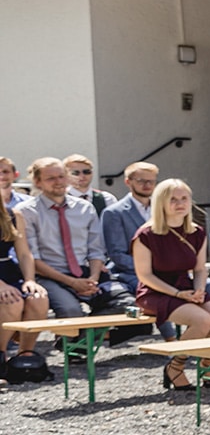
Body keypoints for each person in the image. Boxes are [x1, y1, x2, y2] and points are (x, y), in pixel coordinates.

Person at [15, 157, 138, 332]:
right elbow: (32, 259)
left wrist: (93, 279)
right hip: (49, 275)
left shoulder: (85, 208)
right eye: (51, 178)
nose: (58, 182)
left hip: (85, 273)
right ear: (37, 182)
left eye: (61, 176)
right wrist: (72, 283)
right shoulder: (26, 211)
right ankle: (75, 347)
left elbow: (96, 250)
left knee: (128, 303)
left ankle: (79, 340)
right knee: (71, 311)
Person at [134, 179, 210, 392]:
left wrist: (198, 290)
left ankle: (207, 364)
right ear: (161, 202)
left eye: (184, 198)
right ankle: (175, 367)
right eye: (173, 199)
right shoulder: (146, 235)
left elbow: (199, 269)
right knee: (202, 320)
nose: (180, 204)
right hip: (155, 291)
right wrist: (178, 293)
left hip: (186, 287)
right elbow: (145, 275)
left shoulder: (196, 232)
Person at [102, 161, 169, 337]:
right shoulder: (114, 213)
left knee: (207, 287)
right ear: (128, 182)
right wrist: (150, 271)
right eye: (141, 181)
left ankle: (209, 339)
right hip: (130, 272)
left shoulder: (164, 209)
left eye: (152, 181)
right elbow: (116, 254)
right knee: (159, 293)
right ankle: (174, 343)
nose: (147, 185)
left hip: (165, 270)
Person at [0, 200, 49, 378]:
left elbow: (23, 253)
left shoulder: (12, 215)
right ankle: (1, 357)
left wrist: (30, 280)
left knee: (38, 298)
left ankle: (24, 357)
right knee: (11, 301)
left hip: (7, 270)